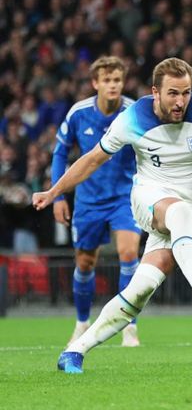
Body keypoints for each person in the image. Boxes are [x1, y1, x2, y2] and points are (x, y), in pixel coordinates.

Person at [33, 58, 192, 373]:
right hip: (148, 196)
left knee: (141, 287)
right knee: (179, 212)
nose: (180, 101)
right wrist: (54, 192)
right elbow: (91, 160)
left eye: (186, 93)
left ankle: (75, 351)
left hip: (188, 213)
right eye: (173, 93)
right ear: (155, 92)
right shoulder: (131, 118)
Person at [51, 56, 142, 347]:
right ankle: (82, 322)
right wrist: (58, 196)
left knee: (128, 253)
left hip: (124, 197)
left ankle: (129, 326)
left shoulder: (134, 112)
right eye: (107, 80)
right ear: (95, 83)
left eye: (117, 80)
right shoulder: (79, 113)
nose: (113, 85)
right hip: (88, 200)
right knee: (85, 263)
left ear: (122, 82)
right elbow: (59, 154)